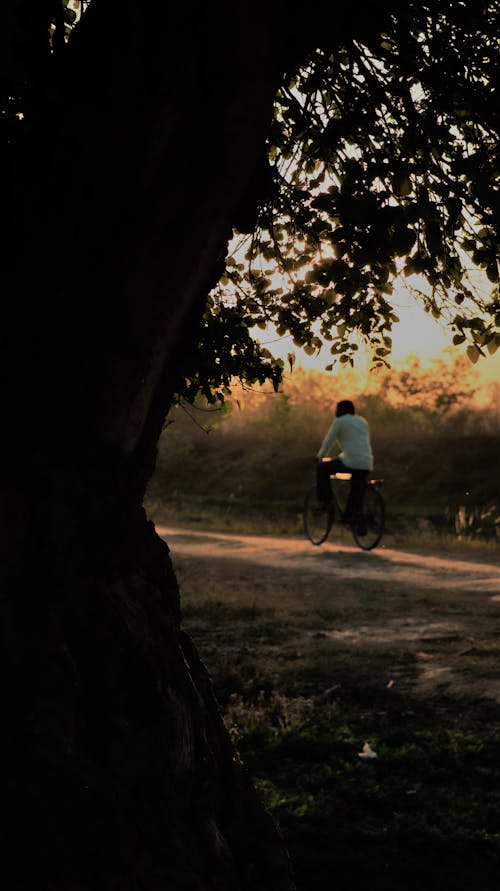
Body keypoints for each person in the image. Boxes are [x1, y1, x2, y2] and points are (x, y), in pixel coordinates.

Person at [316, 399, 373, 530]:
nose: (335, 411)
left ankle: (326, 501)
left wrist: (320, 456)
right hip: (366, 463)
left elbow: (329, 441)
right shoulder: (362, 421)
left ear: (341, 410)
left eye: (337, 409)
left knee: (322, 469)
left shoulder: (340, 422)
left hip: (350, 461)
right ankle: (351, 518)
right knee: (356, 490)